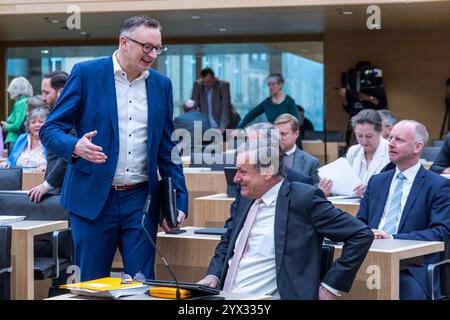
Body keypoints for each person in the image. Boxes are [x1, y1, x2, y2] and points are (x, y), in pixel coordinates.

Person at [39, 16, 188, 281]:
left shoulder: (161, 85)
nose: (153, 54)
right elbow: (50, 130)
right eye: (147, 47)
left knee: (142, 283)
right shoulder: (86, 74)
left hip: (140, 201)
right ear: (124, 42)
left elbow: (167, 147)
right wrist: (75, 146)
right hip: (92, 198)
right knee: (91, 284)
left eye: (158, 48)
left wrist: (179, 198)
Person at [198, 138, 373, 299]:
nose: (235, 178)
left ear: (268, 172)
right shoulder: (246, 197)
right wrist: (213, 274)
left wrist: (331, 285)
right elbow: (229, 239)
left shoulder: (303, 198)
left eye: (242, 171)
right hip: (227, 296)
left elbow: (361, 234)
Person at [357, 120, 450, 300]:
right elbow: (360, 222)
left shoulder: (438, 186)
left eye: (398, 140)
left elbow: (441, 233)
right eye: (390, 137)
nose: (390, 143)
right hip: (368, 257)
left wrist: (392, 238)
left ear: (418, 147)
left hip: (412, 267)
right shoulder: (377, 181)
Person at [319, 109, 390, 197]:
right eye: (359, 135)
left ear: (380, 132)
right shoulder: (353, 151)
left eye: (369, 136)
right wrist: (328, 189)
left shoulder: (390, 151)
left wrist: (371, 190)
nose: (364, 141)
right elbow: (344, 183)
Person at [28, 71, 70, 202]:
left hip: (64, 190)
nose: (43, 97)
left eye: (46, 92)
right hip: (57, 189)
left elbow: (68, 153)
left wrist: (47, 185)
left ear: (61, 92)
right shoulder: (57, 113)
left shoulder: (69, 115)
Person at [274, 113, 320, 183]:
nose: (278, 138)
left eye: (283, 134)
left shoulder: (310, 162)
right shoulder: (264, 158)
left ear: (296, 134)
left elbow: (314, 189)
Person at [191, 67, 231, 133]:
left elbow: (225, 108)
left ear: (214, 79)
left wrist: (222, 128)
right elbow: (193, 107)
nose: (206, 84)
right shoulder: (198, 85)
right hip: (204, 127)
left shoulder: (223, 86)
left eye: (208, 82)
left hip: (219, 125)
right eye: (204, 82)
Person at [1, 76, 33, 153]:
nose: (9, 92)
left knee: (12, 163)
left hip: (14, 139)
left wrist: (6, 126)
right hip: (18, 138)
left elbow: (18, 125)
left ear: (16, 90)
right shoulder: (27, 101)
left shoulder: (20, 103)